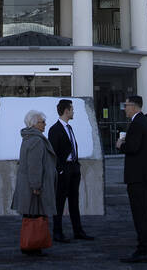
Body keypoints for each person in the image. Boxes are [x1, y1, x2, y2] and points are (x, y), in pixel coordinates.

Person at [117, 94, 147, 263]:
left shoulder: (137, 123)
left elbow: (132, 147)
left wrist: (121, 144)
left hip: (138, 177)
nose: (124, 108)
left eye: (126, 105)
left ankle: (143, 249)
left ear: (133, 106)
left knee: (141, 214)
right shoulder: (146, 122)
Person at [13, 109, 57, 256]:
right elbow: (35, 165)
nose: (45, 124)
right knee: (34, 215)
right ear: (34, 124)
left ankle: (31, 244)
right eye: (42, 122)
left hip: (30, 184)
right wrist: (36, 186)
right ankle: (32, 244)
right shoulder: (37, 140)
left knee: (31, 215)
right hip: (35, 186)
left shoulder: (29, 137)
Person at [47, 99, 93, 242]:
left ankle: (78, 230)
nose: (73, 112)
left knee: (74, 202)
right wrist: (60, 170)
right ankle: (57, 232)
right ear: (66, 111)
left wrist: (76, 165)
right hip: (63, 170)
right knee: (59, 202)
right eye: (72, 109)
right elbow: (53, 153)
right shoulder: (55, 130)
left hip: (73, 168)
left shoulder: (69, 128)